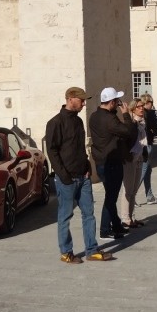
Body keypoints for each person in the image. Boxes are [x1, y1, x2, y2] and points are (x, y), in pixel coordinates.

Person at [45, 87, 114, 264]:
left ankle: (92, 250)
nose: (84, 104)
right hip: (66, 179)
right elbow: (52, 152)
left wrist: (87, 167)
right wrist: (63, 175)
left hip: (83, 177)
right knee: (65, 216)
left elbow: (80, 147)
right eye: (81, 100)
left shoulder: (78, 121)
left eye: (84, 100)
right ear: (70, 99)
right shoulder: (55, 122)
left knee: (89, 214)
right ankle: (66, 252)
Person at [89, 86, 138, 240]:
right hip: (111, 163)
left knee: (111, 195)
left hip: (101, 161)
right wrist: (126, 114)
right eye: (116, 101)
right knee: (111, 197)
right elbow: (127, 131)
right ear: (111, 102)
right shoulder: (110, 119)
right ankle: (105, 230)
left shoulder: (94, 116)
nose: (118, 104)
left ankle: (115, 226)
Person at [121, 98, 148, 228]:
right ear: (132, 109)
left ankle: (132, 217)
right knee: (128, 189)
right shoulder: (131, 123)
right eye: (138, 107)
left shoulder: (142, 123)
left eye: (142, 106)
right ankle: (125, 218)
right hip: (130, 158)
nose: (141, 108)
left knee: (134, 190)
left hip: (139, 157)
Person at [140, 93, 157, 203]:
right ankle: (131, 196)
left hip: (142, 144)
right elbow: (156, 130)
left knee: (148, 170)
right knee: (144, 170)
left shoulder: (139, 113)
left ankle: (149, 195)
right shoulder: (150, 113)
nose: (152, 105)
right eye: (151, 102)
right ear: (147, 103)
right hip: (147, 144)